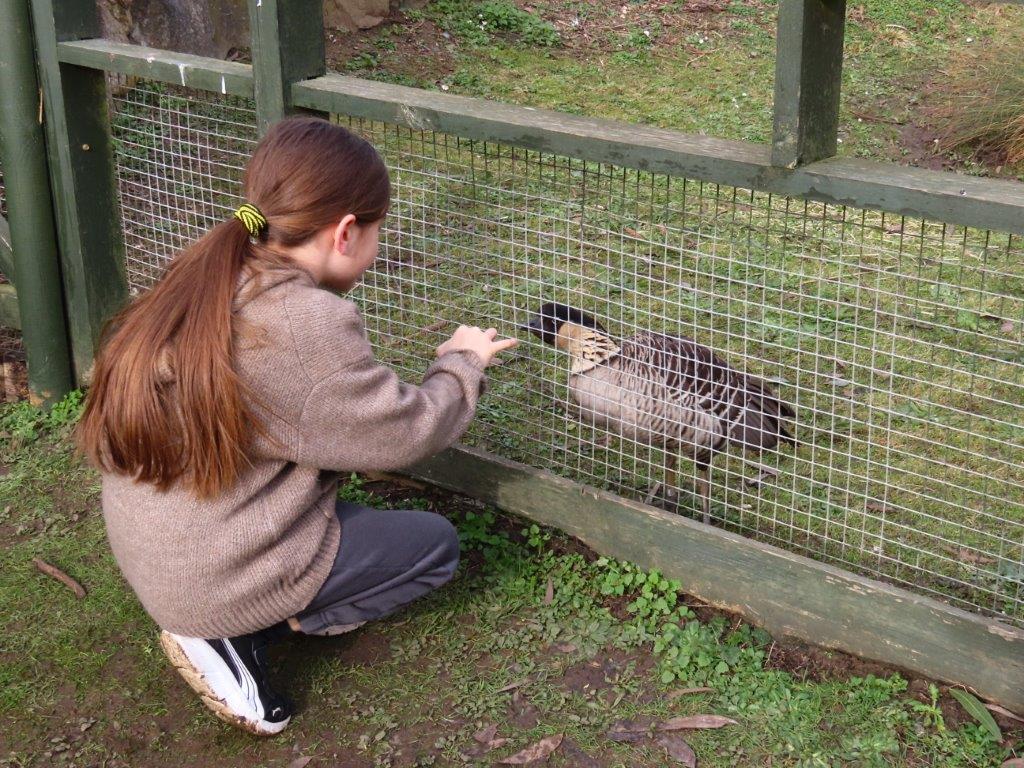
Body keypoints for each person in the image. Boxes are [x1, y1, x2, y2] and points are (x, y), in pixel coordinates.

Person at [77, 116, 517, 735]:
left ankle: (232, 611)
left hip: (160, 545)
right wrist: (461, 362)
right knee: (432, 546)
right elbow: (406, 432)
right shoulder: (301, 324)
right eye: (378, 231)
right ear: (346, 232)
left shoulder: (205, 275)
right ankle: (234, 637)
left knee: (356, 523)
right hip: (206, 577)